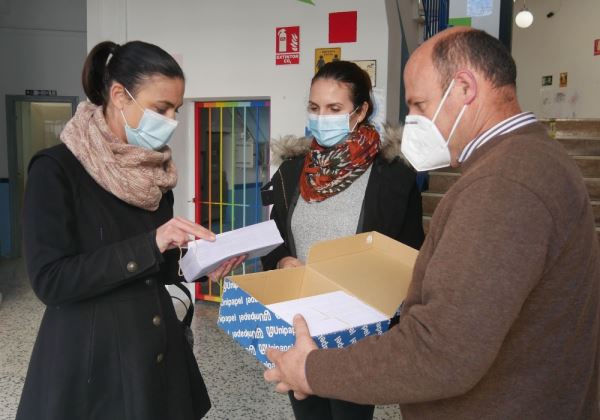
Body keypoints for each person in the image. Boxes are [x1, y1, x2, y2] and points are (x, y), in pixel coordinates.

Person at [264, 27, 600, 419]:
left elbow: (441, 349)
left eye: (420, 105)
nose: (414, 121)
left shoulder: (503, 183)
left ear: (464, 88)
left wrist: (310, 369)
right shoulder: (528, 160)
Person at [17, 40, 243, 420]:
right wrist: (152, 242)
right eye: (161, 108)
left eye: (176, 109)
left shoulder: (154, 172)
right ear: (120, 95)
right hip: (92, 366)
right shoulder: (56, 170)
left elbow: (163, 271)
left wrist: (202, 263)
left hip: (156, 358)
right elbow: (50, 281)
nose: (171, 120)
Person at [261, 60, 424, 420]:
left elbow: (412, 252)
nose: (322, 118)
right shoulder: (293, 169)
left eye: (335, 109)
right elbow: (274, 237)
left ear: (361, 110)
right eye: (315, 108)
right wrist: (283, 260)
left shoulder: (392, 175)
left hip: (359, 334)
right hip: (299, 326)